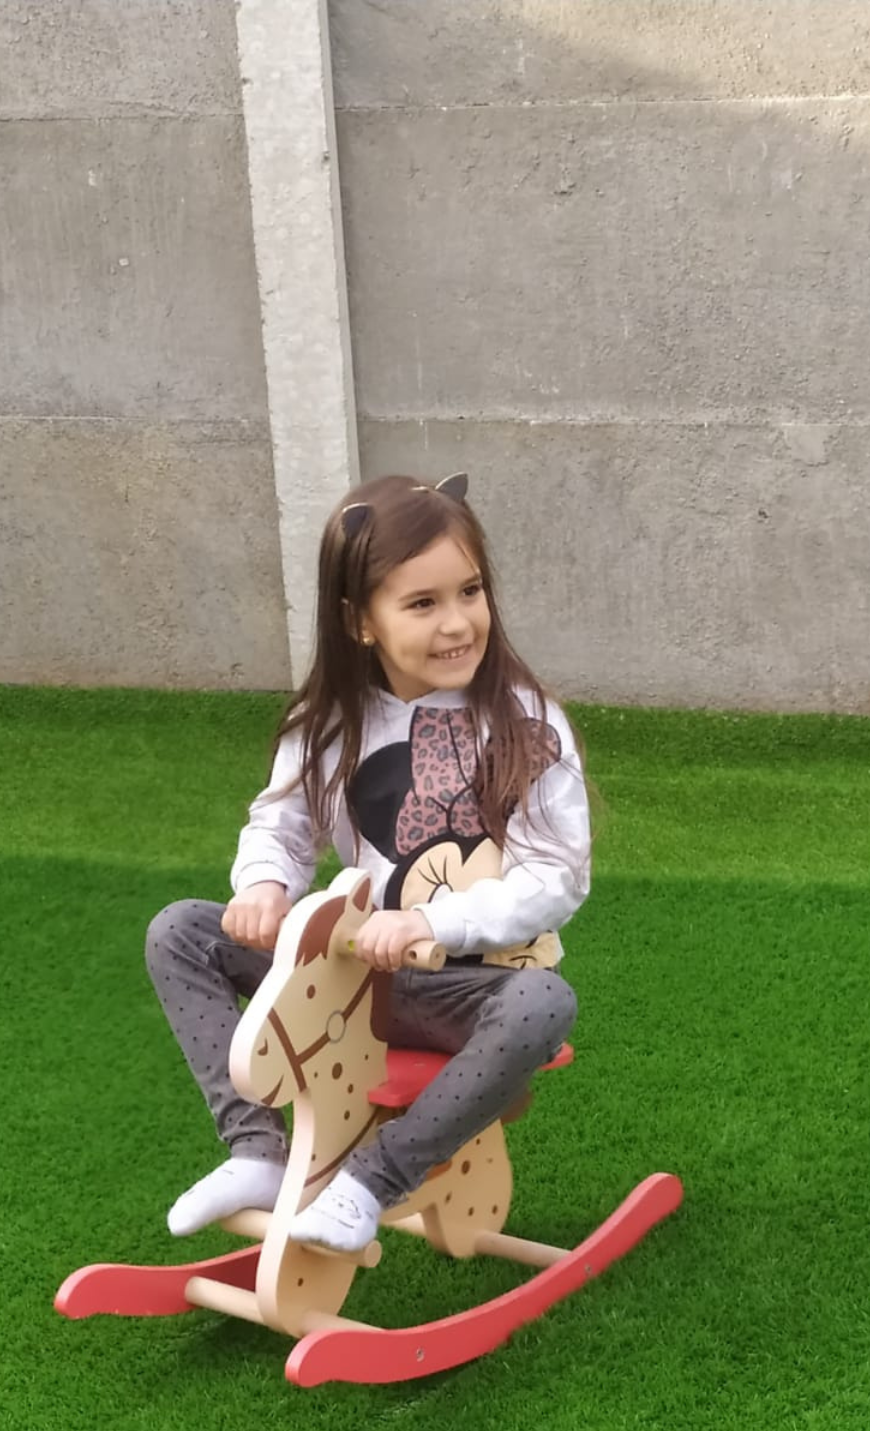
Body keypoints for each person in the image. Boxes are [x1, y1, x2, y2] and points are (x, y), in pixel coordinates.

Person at [146, 471, 591, 1255]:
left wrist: (428, 920)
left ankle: (372, 1180)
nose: (457, 623)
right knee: (181, 931)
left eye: (470, 592)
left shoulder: (524, 720)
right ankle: (254, 1148)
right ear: (360, 621)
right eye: (422, 604)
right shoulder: (328, 724)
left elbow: (555, 877)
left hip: (472, 986)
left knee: (544, 1003)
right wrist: (263, 885)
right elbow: (280, 823)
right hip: (356, 976)